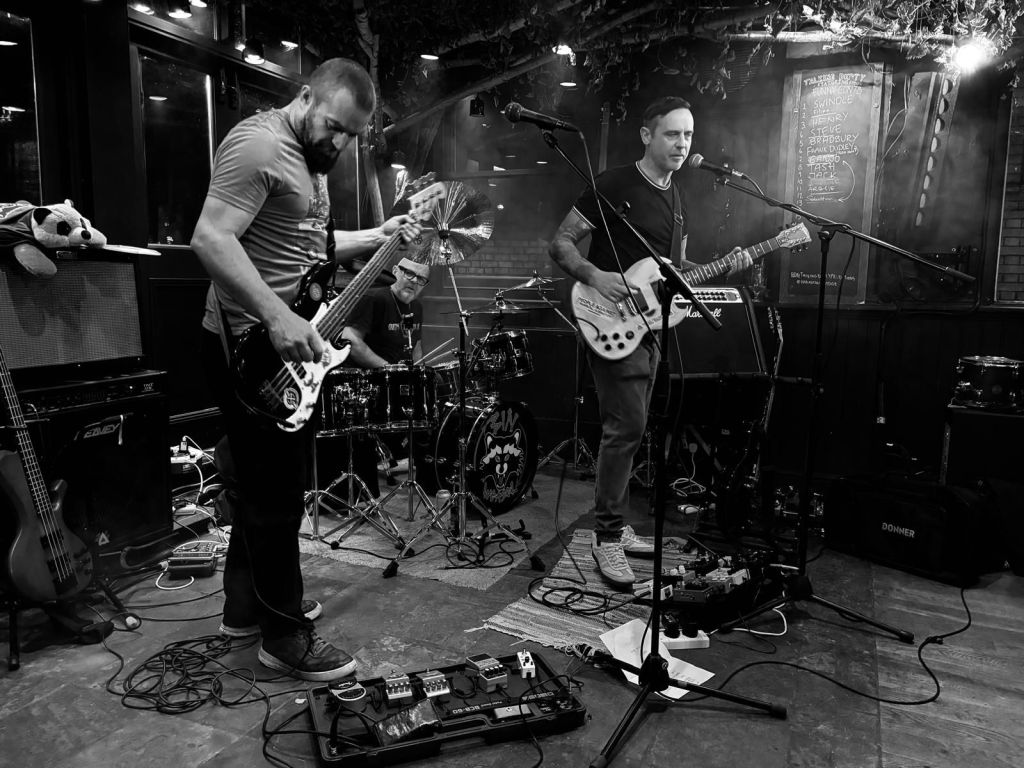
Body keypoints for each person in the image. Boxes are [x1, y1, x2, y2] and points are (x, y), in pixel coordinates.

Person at [191, 57, 420, 681]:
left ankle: (248, 609)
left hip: (279, 345)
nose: (339, 143)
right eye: (333, 126)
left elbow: (308, 245)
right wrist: (275, 317)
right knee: (275, 495)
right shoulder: (260, 145)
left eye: (351, 135)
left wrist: (379, 235)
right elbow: (210, 238)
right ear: (304, 97)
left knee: (260, 486)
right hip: (250, 347)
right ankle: (284, 635)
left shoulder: (308, 159)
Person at [549, 96, 751, 586]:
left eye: (688, 135)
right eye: (672, 134)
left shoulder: (678, 200)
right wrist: (596, 275)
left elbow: (674, 270)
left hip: (651, 326)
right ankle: (605, 538)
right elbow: (560, 243)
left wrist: (727, 263)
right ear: (646, 135)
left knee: (635, 429)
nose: (682, 144)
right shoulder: (615, 184)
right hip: (608, 319)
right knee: (626, 427)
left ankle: (615, 528)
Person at [342, 256, 431, 367]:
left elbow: (416, 348)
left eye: (421, 279)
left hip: (399, 374)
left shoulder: (416, 306)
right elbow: (350, 339)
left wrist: (419, 371)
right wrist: (388, 368)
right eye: (409, 273)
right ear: (395, 271)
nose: (414, 280)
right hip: (370, 374)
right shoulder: (373, 297)